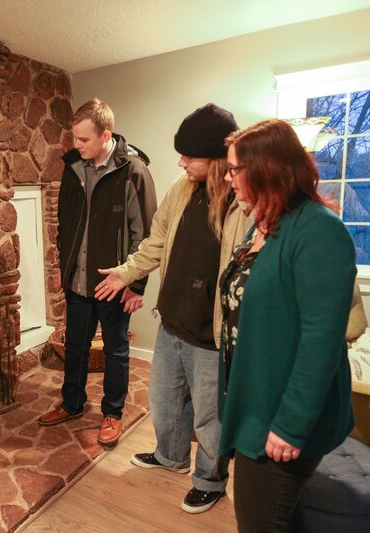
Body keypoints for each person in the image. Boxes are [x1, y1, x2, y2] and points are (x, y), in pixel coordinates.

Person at [95, 103, 247, 513]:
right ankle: (170, 456)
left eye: (189, 155)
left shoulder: (243, 201)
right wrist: (127, 273)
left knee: (210, 418)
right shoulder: (181, 190)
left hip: (211, 331)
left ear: (217, 158)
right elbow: (156, 241)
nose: (180, 162)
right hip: (173, 319)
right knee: (164, 401)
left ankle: (209, 481)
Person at [219, 119, 356, 532]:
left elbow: (322, 340)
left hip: (279, 415)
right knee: (281, 517)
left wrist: (290, 426)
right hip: (255, 400)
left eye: (234, 169)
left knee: (260, 521)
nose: (228, 178)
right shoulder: (262, 224)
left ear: (265, 169)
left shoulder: (319, 231)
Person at [37, 98, 157, 447]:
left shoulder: (133, 172)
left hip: (115, 282)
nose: (76, 146)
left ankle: (113, 413)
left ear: (106, 135)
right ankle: (73, 403)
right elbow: (65, 224)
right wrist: (64, 266)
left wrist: (136, 285)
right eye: (74, 138)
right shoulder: (73, 167)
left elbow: (146, 236)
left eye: (83, 140)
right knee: (75, 346)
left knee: (116, 350)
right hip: (78, 279)